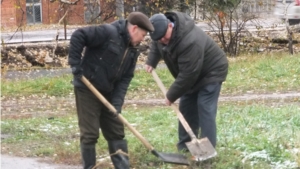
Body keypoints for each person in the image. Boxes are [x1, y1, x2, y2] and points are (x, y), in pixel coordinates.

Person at [68, 12, 154, 169]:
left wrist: (117, 103)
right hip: (87, 87)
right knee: (90, 134)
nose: (143, 39)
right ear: (134, 28)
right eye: (143, 34)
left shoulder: (133, 50)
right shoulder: (108, 32)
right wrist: (75, 63)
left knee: (116, 131)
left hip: (109, 91)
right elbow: (78, 35)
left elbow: (125, 79)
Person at [145, 11, 228, 151]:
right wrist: (151, 61)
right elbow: (156, 44)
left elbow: (188, 75)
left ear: (170, 26)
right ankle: (185, 146)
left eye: (164, 38)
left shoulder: (189, 41)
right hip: (192, 72)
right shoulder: (160, 34)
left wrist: (171, 95)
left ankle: (208, 149)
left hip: (211, 71)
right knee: (187, 107)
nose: (163, 41)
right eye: (159, 39)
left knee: (204, 107)